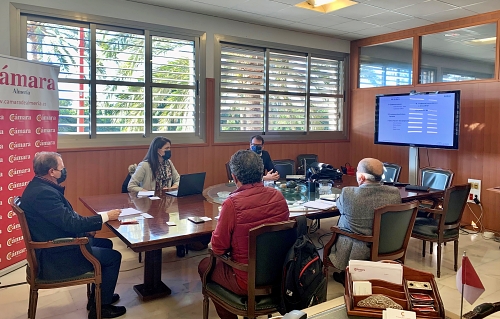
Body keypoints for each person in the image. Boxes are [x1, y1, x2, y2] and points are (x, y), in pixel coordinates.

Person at [20, 152, 125, 319]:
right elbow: (71, 223)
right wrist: (106, 216)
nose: (65, 171)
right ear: (52, 171)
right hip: (55, 256)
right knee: (114, 257)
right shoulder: (44, 194)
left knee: (106, 244)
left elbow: (61, 222)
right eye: (62, 168)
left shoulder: (39, 186)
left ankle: (98, 296)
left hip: (54, 243)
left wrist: (86, 230)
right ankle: (101, 308)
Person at [198, 150, 290, 319]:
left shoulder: (232, 204)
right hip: (280, 273)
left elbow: (218, 249)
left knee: (205, 266)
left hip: (245, 279)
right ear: (262, 173)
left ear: (234, 177)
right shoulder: (279, 197)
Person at [329, 158, 401, 286]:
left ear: (361, 177)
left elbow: (340, 207)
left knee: (342, 220)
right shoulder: (394, 193)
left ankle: (346, 274)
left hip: (357, 247)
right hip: (386, 243)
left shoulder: (349, 193)